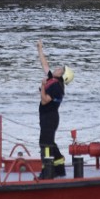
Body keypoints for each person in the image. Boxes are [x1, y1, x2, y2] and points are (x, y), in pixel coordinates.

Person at [36, 39, 73, 178]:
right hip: (46, 116)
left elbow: (45, 101)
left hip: (50, 117)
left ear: (63, 76)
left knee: (45, 143)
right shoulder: (53, 79)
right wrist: (40, 49)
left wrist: (42, 86)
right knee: (49, 141)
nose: (58, 68)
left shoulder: (57, 87)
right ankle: (59, 165)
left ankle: (47, 170)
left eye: (61, 70)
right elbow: (44, 64)